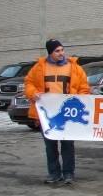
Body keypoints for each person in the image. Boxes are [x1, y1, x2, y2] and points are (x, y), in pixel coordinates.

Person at [24, 39, 90, 184]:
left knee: (67, 144)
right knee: (50, 144)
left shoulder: (74, 68)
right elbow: (28, 83)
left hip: (66, 114)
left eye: (62, 50)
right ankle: (54, 173)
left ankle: (68, 173)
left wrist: (79, 104)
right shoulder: (39, 68)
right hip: (46, 114)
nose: (61, 53)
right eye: (57, 51)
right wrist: (32, 93)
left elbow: (83, 88)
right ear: (50, 53)